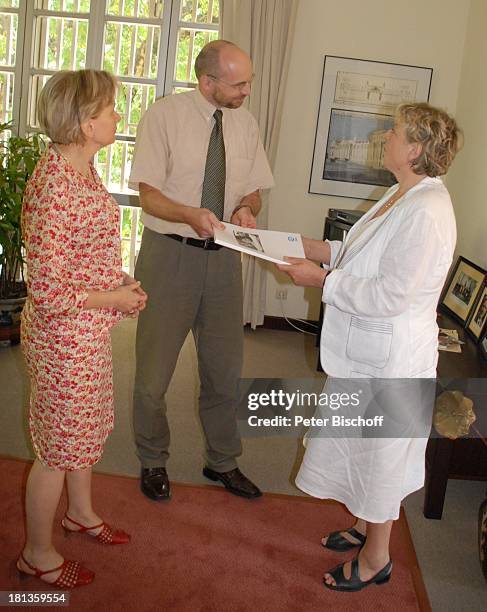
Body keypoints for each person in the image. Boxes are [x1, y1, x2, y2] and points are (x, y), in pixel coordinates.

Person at [277, 102, 461, 592]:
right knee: (361, 445)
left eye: (395, 131)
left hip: (394, 358)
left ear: (417, 148)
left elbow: (390, 294)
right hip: (369, 353)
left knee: (383, 456)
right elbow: (358, 253)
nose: (386, 135)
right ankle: (362, 527)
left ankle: (377, 558)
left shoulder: (427, 211)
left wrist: (320, 280)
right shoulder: (403, 194)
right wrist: (309, 248)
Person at [18, 69, 147, 588]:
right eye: (110, 109)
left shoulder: (80, 169)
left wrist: (118, 280)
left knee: (83, 433)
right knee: (56, 449)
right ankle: (37, 553)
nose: (118, 115)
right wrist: (113, 296)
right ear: (85, 122)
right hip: (61, 339)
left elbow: (79, 257)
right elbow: (48, 291)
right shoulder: (54, 187)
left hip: (83, 334)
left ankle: (80, 514)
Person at [129, 40, 274, 501]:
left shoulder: (245, 124)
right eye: (239, 83)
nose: (247, 91)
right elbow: (147, 196)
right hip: (169, 254)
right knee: (153, 375)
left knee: (224, 371)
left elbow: (254, 189)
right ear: (207, 81)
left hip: (225, 260)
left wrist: (248, 209)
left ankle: (223, 462)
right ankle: (153, 458)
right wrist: (190, 214)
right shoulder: (164, 116)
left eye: (248, 81)